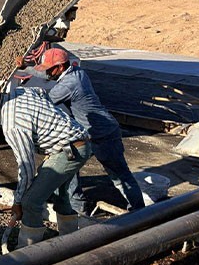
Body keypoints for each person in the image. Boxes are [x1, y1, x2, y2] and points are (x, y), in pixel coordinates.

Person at [0, 81, 91, 247]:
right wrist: (52, 126)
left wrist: (18, 202)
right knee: (61, 195)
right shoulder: (20, 92)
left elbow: (26, 166)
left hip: (69, 150)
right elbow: (41, 92)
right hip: (75, 143)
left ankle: (27, 251)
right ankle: (71, 242)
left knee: (31, 201)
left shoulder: (12, 124)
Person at [33, 47, 145, 212]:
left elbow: (43, 103)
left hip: (102, 134)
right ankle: (78, 209)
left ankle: (139, 213)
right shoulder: (77, 72)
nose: (47, 74)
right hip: (91, 131)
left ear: (61, 67)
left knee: (120, 177)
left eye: (50, 70)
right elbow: (47, 78)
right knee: (70, 170)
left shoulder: (69, 84)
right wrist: (26, 66)